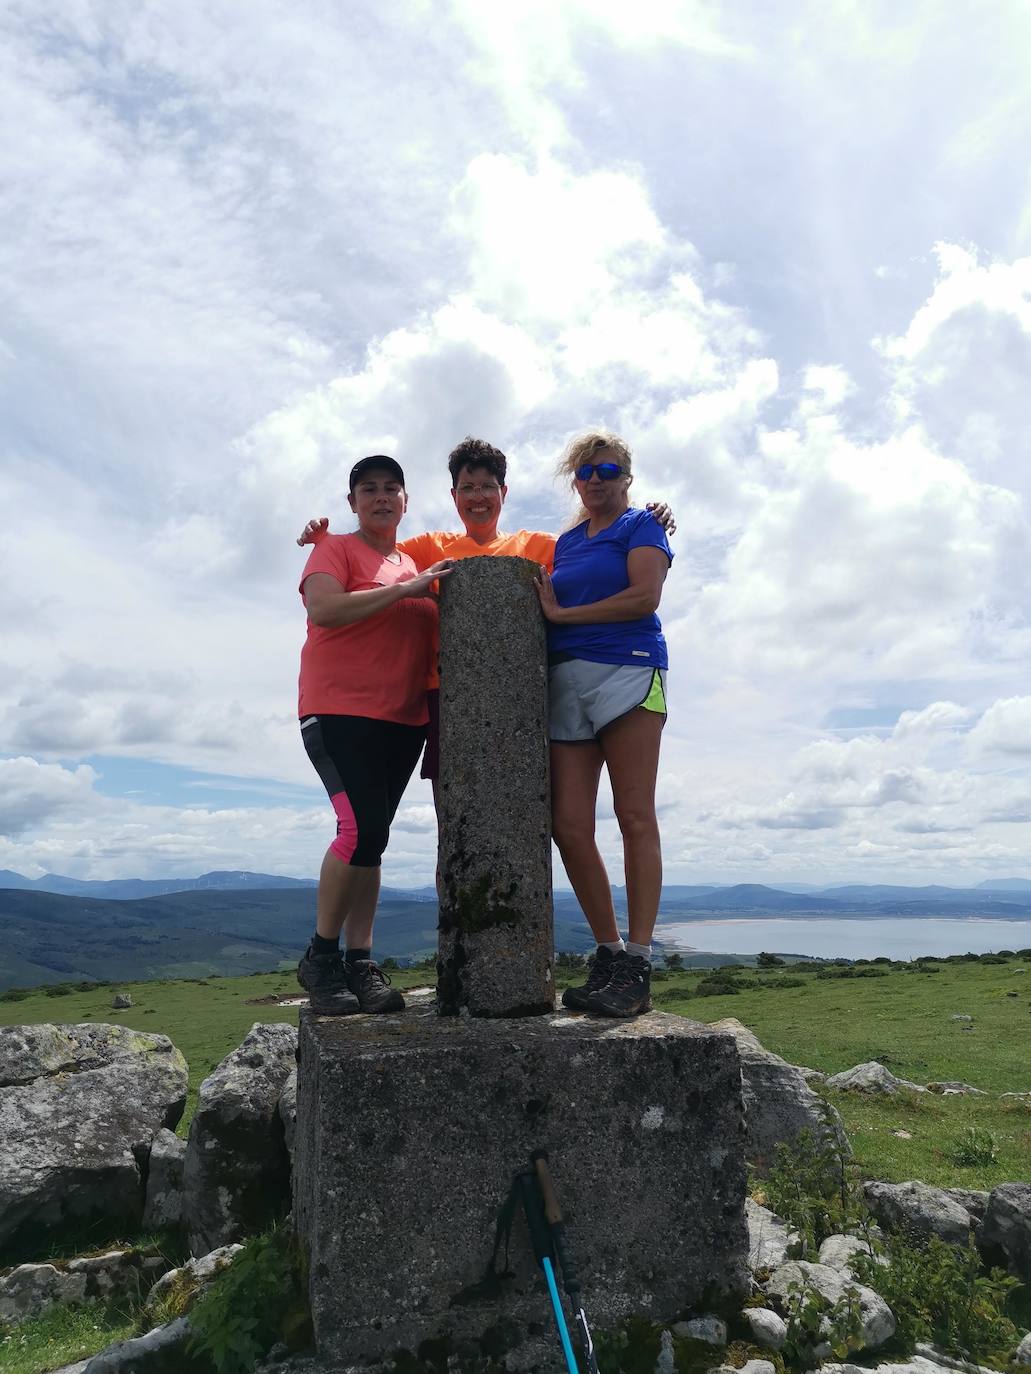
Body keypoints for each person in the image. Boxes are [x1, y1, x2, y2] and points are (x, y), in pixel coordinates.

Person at [297, 436, 675, 789]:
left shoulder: (540, 545)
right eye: (467, 487)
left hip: (522, 695)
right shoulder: (428, 548)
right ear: (454, 495)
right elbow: (374, 549)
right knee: (454, 810)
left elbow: (596, 550)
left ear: (503, 493)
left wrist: (650, 516)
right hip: (445, 694)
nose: (478, 497)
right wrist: (324, 539)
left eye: (487, 486)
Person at [296, 454, 452, 1015]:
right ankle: (321, 957)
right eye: (369, 489)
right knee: (357, 827)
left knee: (375, 838)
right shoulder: (333, 547)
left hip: (402, 718)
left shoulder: (414, 561)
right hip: (337, 710)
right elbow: (326, 608)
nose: (381, 497)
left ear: (406, 501)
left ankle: (361, 959)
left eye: (392, 489)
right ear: (352, 502)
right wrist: (407, 592)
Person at [535, 430, 673, 1018]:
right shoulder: (564, 541)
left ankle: (638, 962)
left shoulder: (642, 526)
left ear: (628, 476)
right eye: (585, 472)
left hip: (630, 670)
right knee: (568, 826)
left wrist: (565, 615)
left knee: (634, 814)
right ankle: (609, 953)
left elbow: (644, 597)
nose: (595, 480)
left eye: (607, 469)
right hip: (567, 681)